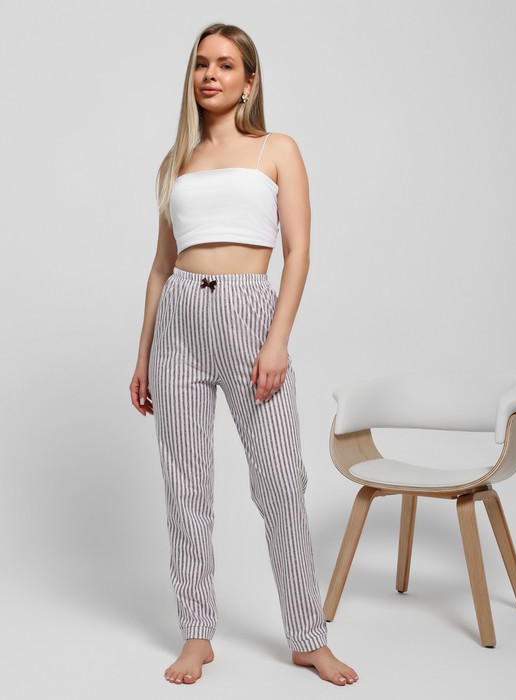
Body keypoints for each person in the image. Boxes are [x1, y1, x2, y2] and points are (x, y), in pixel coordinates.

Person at [129, 22, 359, 687]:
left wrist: (277, 338)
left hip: (249, 314)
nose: (210, 74)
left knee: (280, 481)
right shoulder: (176, 162)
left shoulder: (276, 149)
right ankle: (196, 635)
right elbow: (159, 267)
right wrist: (142, 357)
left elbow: (299, 251)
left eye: (226, 64)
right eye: (201, 63)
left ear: (249, 81)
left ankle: (308, 638)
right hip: (178, 321)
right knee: (185, 485)